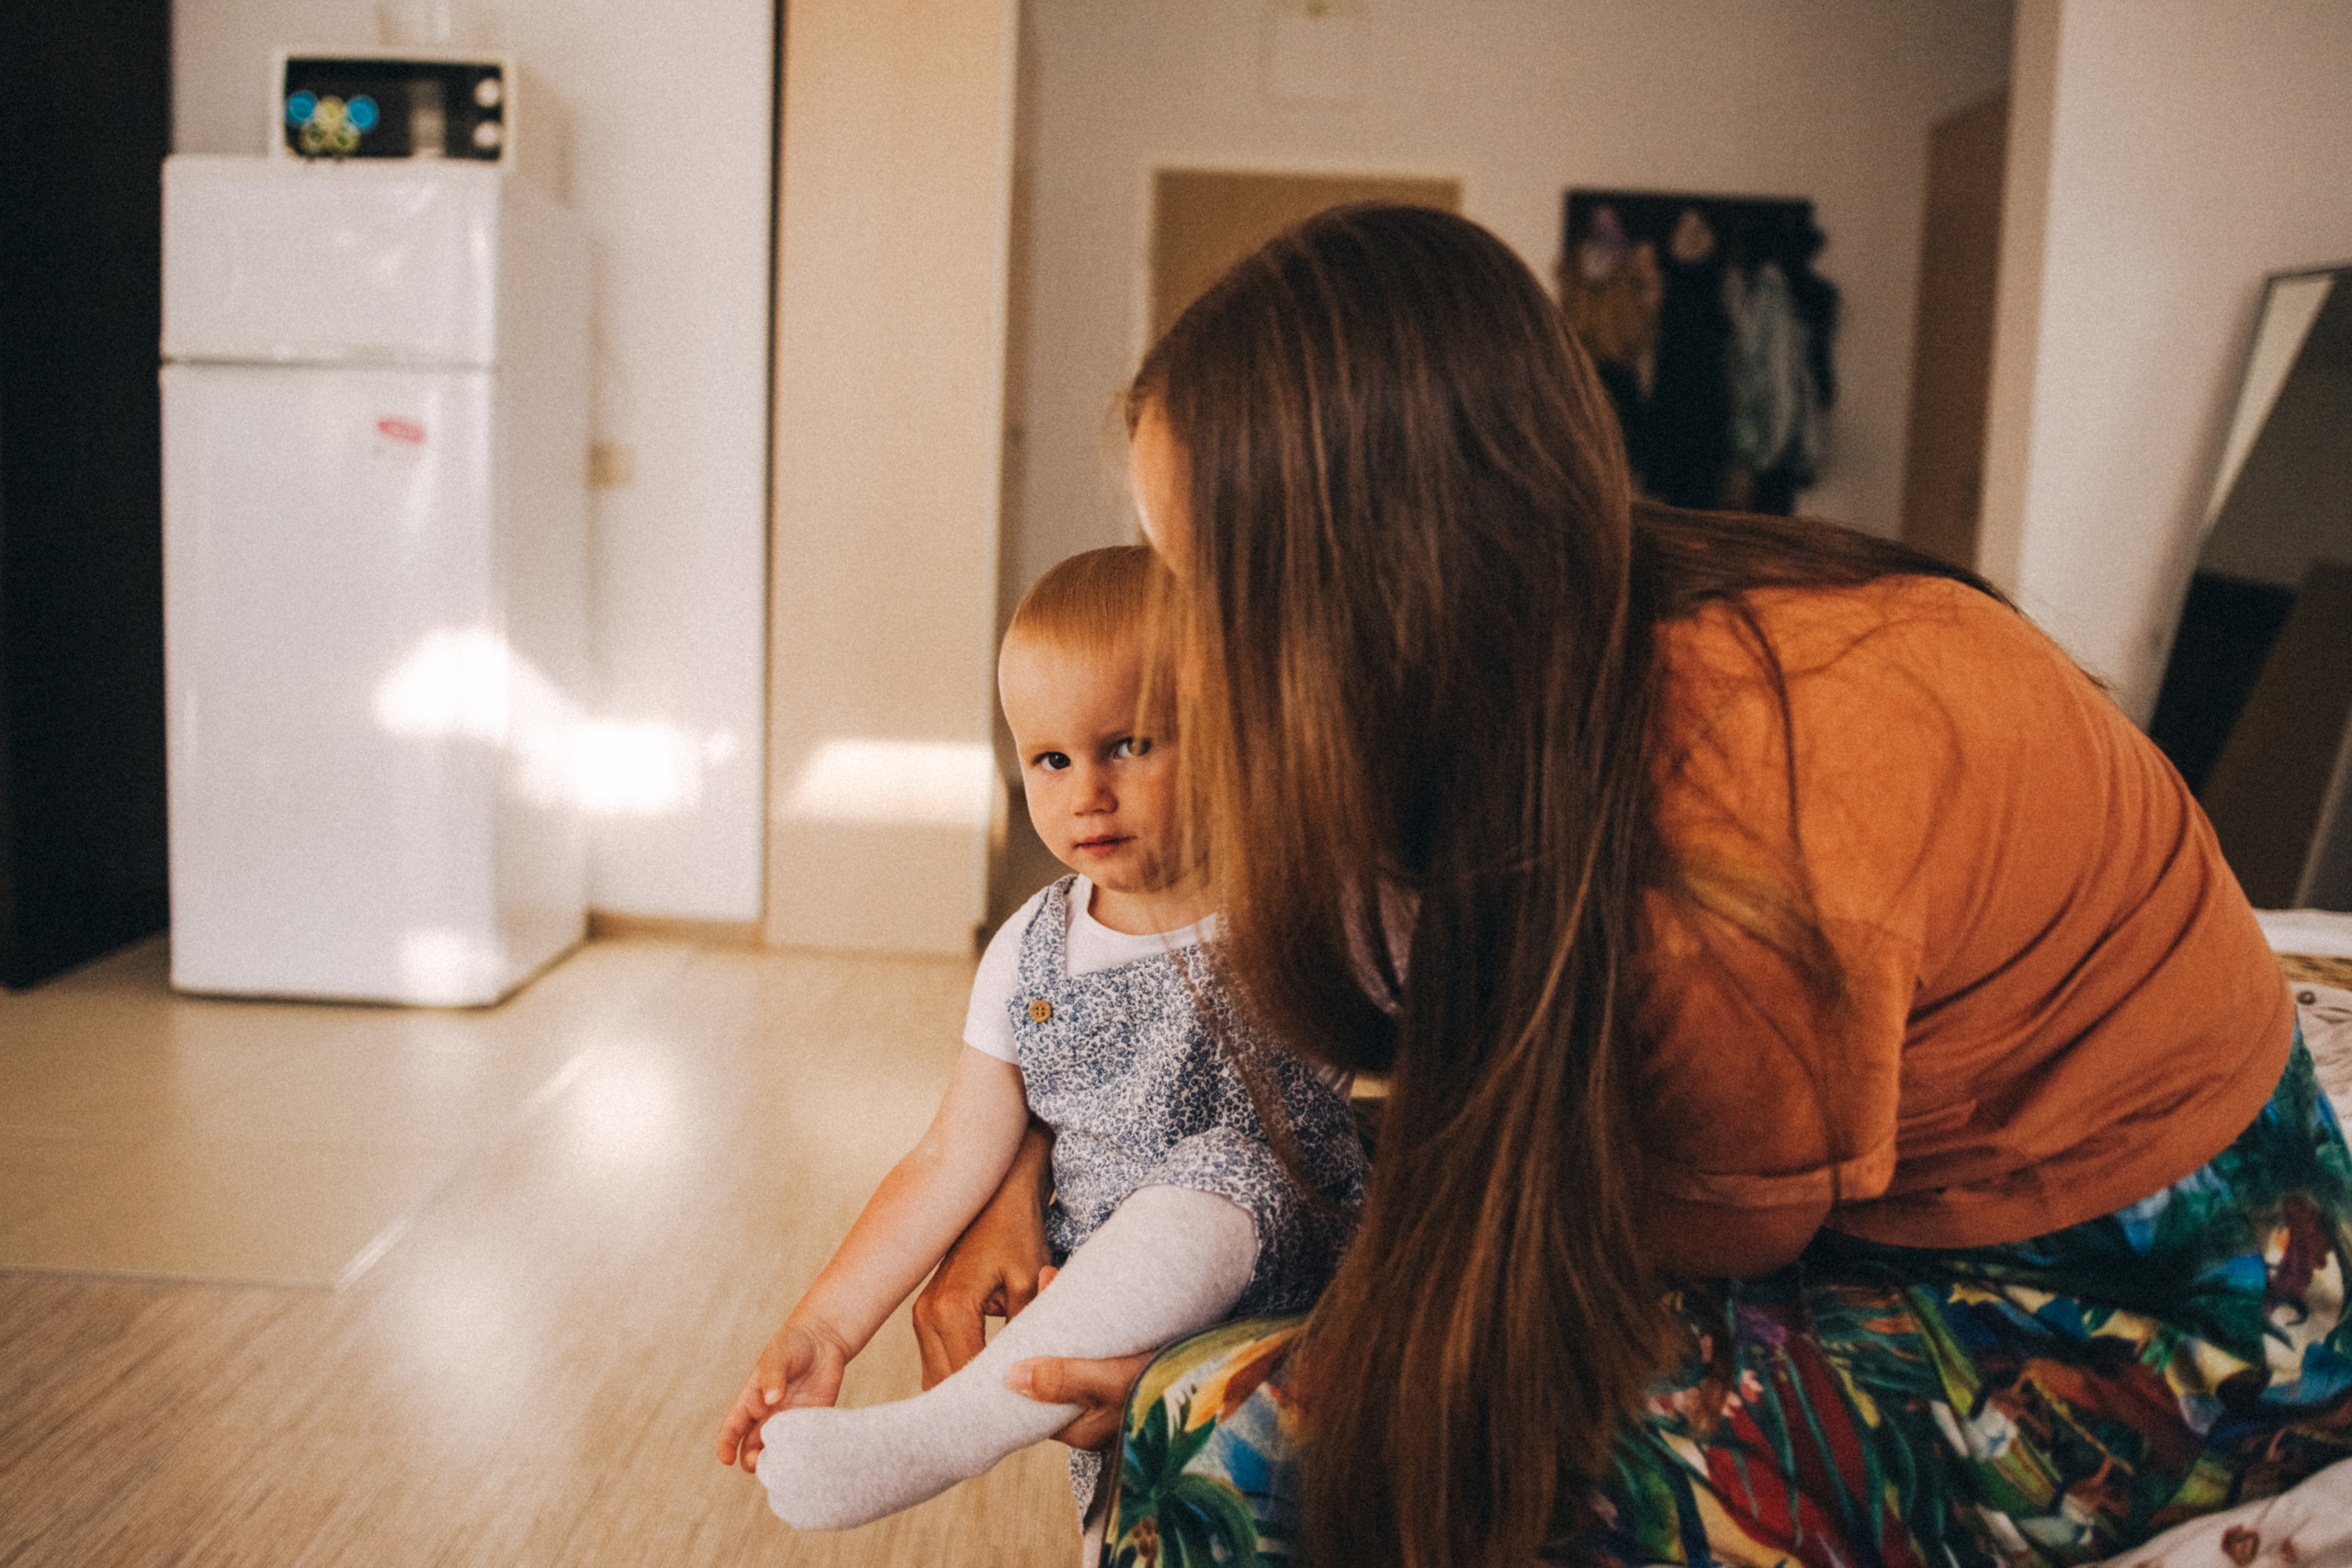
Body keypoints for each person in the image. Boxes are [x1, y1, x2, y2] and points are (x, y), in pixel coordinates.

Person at [918, 204, 2352, 1566]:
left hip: (2186, 1313)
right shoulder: (1581, 636)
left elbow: (1624, 1236)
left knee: (1223, 1437)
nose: (1191, 656)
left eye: (1205, 587)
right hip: (1973, 1185)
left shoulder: (1732, 829)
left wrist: (1255, 1310)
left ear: (1360, 574)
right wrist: (1021, 1168)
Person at [714, 546, 1364, 1555]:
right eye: (1050, 761)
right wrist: (826, 1327)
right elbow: (945, 1159)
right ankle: (981, 1423)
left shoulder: (1300, 906)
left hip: (1279, 1275)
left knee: (1224, 1168)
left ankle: (946, 1432)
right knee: (1139, 1537)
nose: (1085, 794)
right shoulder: (1030, 949)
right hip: (1094, 1319)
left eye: (1129, 746)